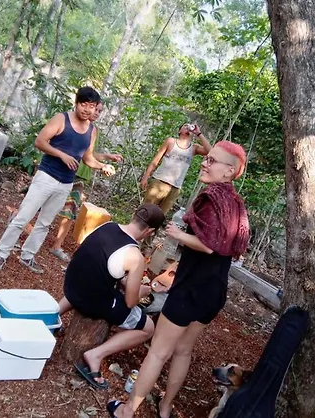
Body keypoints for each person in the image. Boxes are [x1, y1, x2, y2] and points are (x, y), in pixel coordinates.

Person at [107, 141, 250, 418]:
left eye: (212, 161)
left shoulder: (212, 197)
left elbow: (209, 245)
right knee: (183, 350)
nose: (204, 163)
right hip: (214, 291)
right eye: (206, 158)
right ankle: (165, 408)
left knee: (158, 352)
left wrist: (177, 233)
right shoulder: (235, 203)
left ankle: (126, 411)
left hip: (190, 290)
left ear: (229, 171)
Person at [0, 87, 114, 274]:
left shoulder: (92, 130)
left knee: (45, 223)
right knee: (23, 217)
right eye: (84, 104)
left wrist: (102, 166)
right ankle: (1, 253)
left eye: (92, 106)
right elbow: (40, 141)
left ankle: (28, 255)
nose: (87, 110)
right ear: (76, 103)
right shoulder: (61, 119)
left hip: (66, 183)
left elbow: (87, 158)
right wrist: (61, 155)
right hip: (46, 176)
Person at [58, 203, 165, 389]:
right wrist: (141, 292)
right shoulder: (135, 256)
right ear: (150, 231)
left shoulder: (107, 226)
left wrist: (124, 281)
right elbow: (130, 302)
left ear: (134, 215)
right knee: (148, 328)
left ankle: (52, 315)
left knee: (91, 281)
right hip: (92, 301)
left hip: (72, 285)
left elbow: (100, 262)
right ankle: (96, 355)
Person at [50, 102, 123, 262]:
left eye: (99, 111)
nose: (96, 113)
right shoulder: (71, 122)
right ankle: (18, 218)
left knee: (69, 211)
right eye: (95, 109)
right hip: (60, 170)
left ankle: (57, 246)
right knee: (45, 202)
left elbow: (88, 155)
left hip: (80, 176)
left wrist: (107, 157)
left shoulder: (93, 130)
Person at [140, 123, 211, 216]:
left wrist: (199, 133)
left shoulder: (194, 148)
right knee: (145, 212)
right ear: (180, 131)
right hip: (159, 182)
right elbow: (156, 160)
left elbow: (210, 151)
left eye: (189, 126)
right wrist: (146, 177)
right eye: (185, 126)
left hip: (175, 188)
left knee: (159, 216)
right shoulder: (171, 141)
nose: (188, 127)